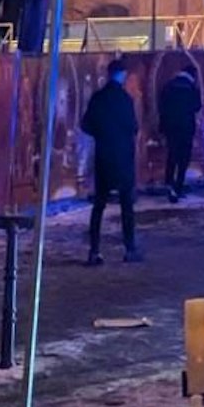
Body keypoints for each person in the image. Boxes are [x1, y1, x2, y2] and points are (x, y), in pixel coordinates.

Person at [81, 57, 141, 263]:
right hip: (123, 157)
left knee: (99, 205)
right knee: (127, 205)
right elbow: (133, 127)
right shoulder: (125, 99)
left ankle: (95, 250)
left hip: (103, 156)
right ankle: (130, 248)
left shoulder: (98, 98)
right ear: (122, 75)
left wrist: (102, 134)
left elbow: (85, 125)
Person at [158, 62, 201, 201]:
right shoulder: (191, 87)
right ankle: (179, 186)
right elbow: (197, 106)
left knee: (172, 154)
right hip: (186, 128)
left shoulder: (169, 86)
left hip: (170, 127)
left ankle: (169, 183)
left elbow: (162, 106)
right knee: (183, 158)